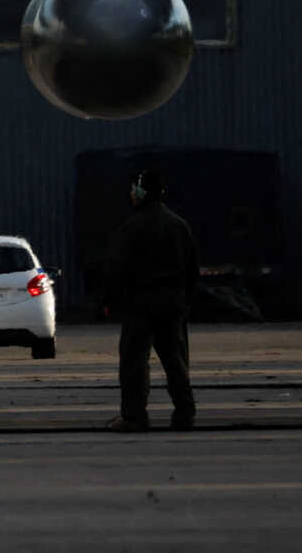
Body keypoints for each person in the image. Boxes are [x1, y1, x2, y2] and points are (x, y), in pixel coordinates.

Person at [101, 167, 197, 432]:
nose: (131, 194)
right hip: (172, 305)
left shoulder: (131, 227)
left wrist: (111, 301)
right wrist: (185, 303)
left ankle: (134, 417)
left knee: (134, 362)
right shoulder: (179, 225)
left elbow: (116, 269)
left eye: (134, 189)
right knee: (175, 362)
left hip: (140, 305)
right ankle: (184, 414)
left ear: (141, 192)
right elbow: (192, 271)